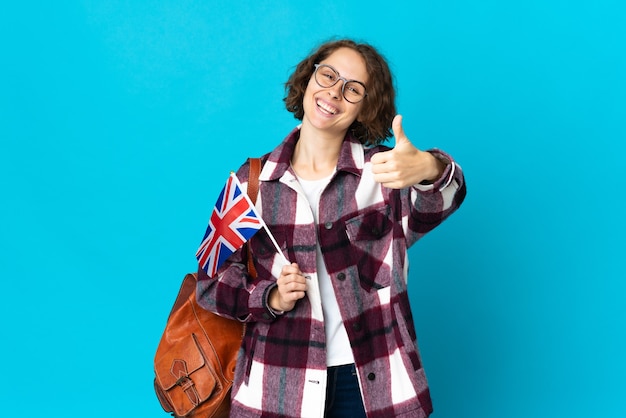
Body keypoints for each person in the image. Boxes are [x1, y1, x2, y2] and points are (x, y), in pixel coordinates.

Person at [197, 38, 466, 418]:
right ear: (308, 79)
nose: (334, 94)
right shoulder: (252, 182)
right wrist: (269, 298)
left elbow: (442, 200)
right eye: (328, 76)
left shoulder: (384, 174)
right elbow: (210, 286)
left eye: (352, 89)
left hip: (375, 385)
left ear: (364, 107)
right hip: (277, 388)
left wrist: (428, 168)